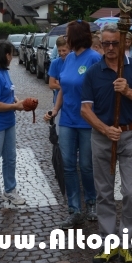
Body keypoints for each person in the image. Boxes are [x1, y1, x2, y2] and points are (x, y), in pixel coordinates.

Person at [81, 23, 132, 263]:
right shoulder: (93, 72)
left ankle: (128, 242)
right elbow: (85, 109)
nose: (110, 48)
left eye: (115, 43)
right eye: (106, 44)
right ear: (100, 44)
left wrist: (128, 91)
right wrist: (104, 129)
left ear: (124, 43)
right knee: (104, 192)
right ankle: (108, 243)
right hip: (102, 137)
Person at [44, 21, 101, 228]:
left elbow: (101, 89)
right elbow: (63, 89)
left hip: (87, 121)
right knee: (68, 166)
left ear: (75, 36)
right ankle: (74, 210)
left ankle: (92, 203)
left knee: (86, 165)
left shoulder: (94, 58)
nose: (66, 39)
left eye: (68, 35)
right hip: (67, 119)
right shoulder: (68, 59)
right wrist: (55, 110)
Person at [0, 40, 37, 213]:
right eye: (11, 54)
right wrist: (16, 107)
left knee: (10, 158)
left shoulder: (3, 71)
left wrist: (17, 100)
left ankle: (10, 190)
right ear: (5, 55)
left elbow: (7, 92)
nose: (13, 57)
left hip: (7, 122)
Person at [47, 36, 69, 105]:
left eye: (64, 50)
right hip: (59, 101)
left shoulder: (75, 62)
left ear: (70, 49)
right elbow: (51, 85)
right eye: (59, 51)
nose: (61, 53)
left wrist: (59, 83)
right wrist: (68, 87)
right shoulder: (55, 63)